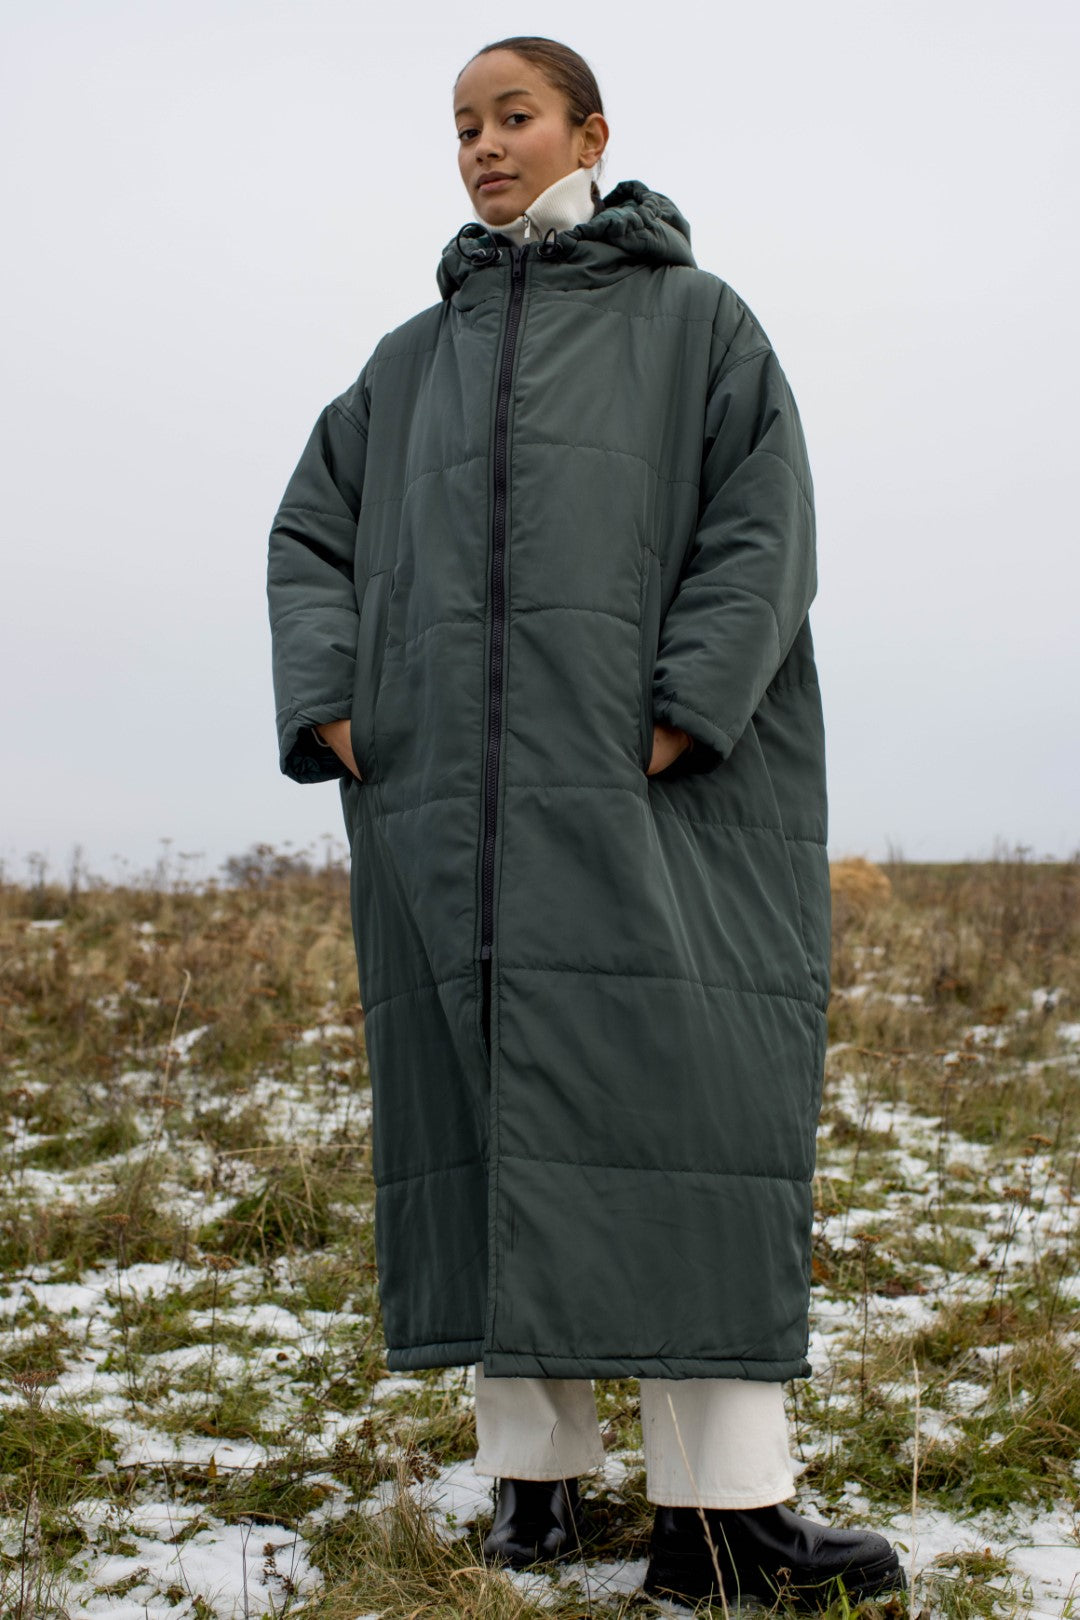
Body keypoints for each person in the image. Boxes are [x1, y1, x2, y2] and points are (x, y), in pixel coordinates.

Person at [266, 34, 904, 1609]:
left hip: (661, 803)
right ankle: (532, 1491)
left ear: (589, 133)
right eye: (464, 126)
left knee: (689, 1130)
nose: (485, 146)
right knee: (495, 1121)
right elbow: (311, 535)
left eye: (515, 117)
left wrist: (690, 706)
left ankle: (723, 1522)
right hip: (452, 825)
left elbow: (766, 522)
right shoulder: (407, 363)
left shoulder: (699, 323)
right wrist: (338, 706)